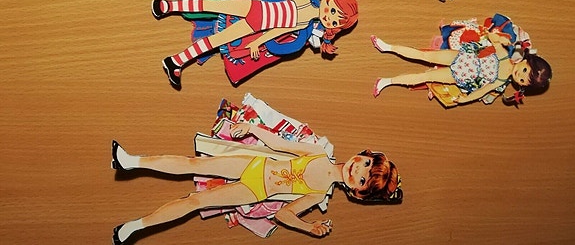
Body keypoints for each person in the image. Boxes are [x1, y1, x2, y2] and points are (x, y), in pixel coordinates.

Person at [111, 123, 401, 243]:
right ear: (364, 154)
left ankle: (134, 228)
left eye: (362, 179)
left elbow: (282, 214)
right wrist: (252, 128)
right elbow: (280, 144)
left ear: (357, 192)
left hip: (255, 190)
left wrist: (308, 227)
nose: (358, 170)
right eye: (366, 164)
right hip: (254, 164)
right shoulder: (319, 153)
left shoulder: (318, 194)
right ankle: (130, 161)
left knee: (195, 202)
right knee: (193, 164)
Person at [153, 0, 358, 89]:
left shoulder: (304, 25)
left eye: (334, 21)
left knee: (216, 41)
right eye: (332, 10)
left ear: (333, 28)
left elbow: (277, 31)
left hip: (255, 25)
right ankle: (167, 5)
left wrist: (257, 43)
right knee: (211, 5)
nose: (328, 16)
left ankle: (175, 62)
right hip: (254, 7)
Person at [371, 32, 551, 104]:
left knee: (423, 77)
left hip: (458, 75)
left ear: (522, 85)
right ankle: (388, 47)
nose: (520, 75)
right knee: (424, 55)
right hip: (462, 56)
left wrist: (466, 99)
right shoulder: (504, 55)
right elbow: (491, 37)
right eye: (525, 70)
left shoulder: (501, 81)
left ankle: (386, 82)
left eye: (523, 80)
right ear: (526, 61)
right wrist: (500, 39)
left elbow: (482, 91)